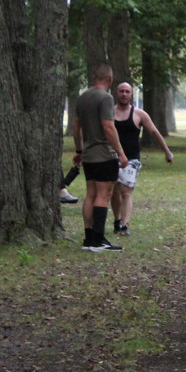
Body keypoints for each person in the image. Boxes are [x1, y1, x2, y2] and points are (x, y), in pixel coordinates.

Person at [73, 63, 128, 251]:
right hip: (104, 154)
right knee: (104, 195)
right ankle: (98, 240)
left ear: (94, 77)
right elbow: (108, 126)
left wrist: (79, 151)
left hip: (88, 154)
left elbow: (76, 127)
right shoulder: (105, 98)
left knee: (91, 194)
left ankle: (89, 238)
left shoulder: (82, 98)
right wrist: (120, 152)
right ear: (110, 79)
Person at [110, 82, 174, 236]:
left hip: (131, 159)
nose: (124, 94)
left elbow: (155, 132)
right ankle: (117, 220)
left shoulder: (139, 114)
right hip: (111, 157)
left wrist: (167, 151)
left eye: (127, 92)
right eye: (121, 91)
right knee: (114, 191)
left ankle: (125, 225)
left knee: (126, 191)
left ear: (132, 95)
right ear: (116, 93)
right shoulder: (109, 113)